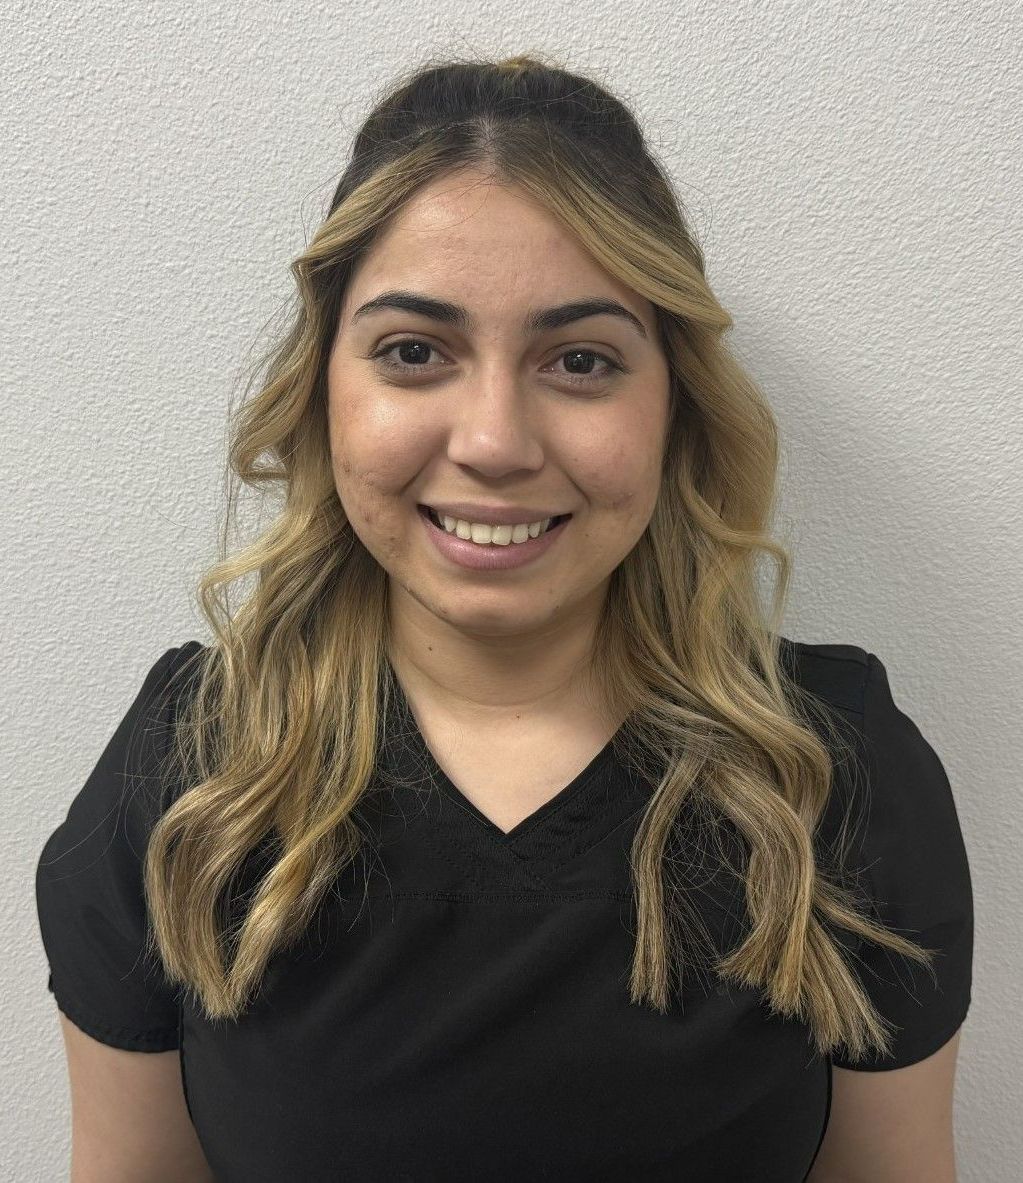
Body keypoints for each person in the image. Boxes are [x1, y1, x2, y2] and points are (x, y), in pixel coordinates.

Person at [35, 52, 973, 1182]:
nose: (493, 441)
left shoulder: (832, 772)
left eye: (579, 360)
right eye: (413, 352)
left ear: (672, 407)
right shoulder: (190, 775)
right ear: (323, 387)